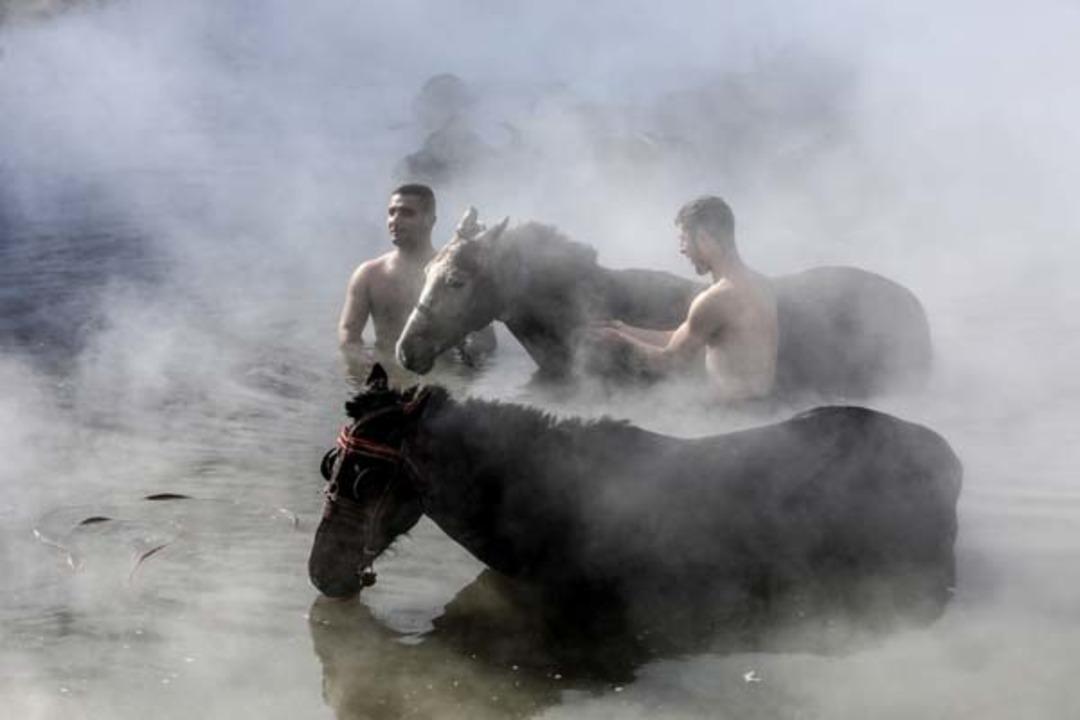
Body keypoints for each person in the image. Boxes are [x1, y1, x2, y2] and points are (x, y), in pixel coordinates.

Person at [588, 195, 778, 402]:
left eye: (684, 239)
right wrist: (623, 329)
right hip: (761, 409)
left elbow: (670, 361)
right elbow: (684, 336)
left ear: (704, 239)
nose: (682, 249)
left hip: (733, 415)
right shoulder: (761, 285)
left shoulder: (716, 299)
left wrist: (617, 341)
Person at [337, 183, 496, 382]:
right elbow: (349, 336)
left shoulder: (454, 277)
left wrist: (461, 373)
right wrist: (366, 370)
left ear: (431, 220)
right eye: (391, 212)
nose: (395, 220)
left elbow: (485, 341)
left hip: (443, 380)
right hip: (388, 379)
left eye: (406, 213)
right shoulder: (369, 274)